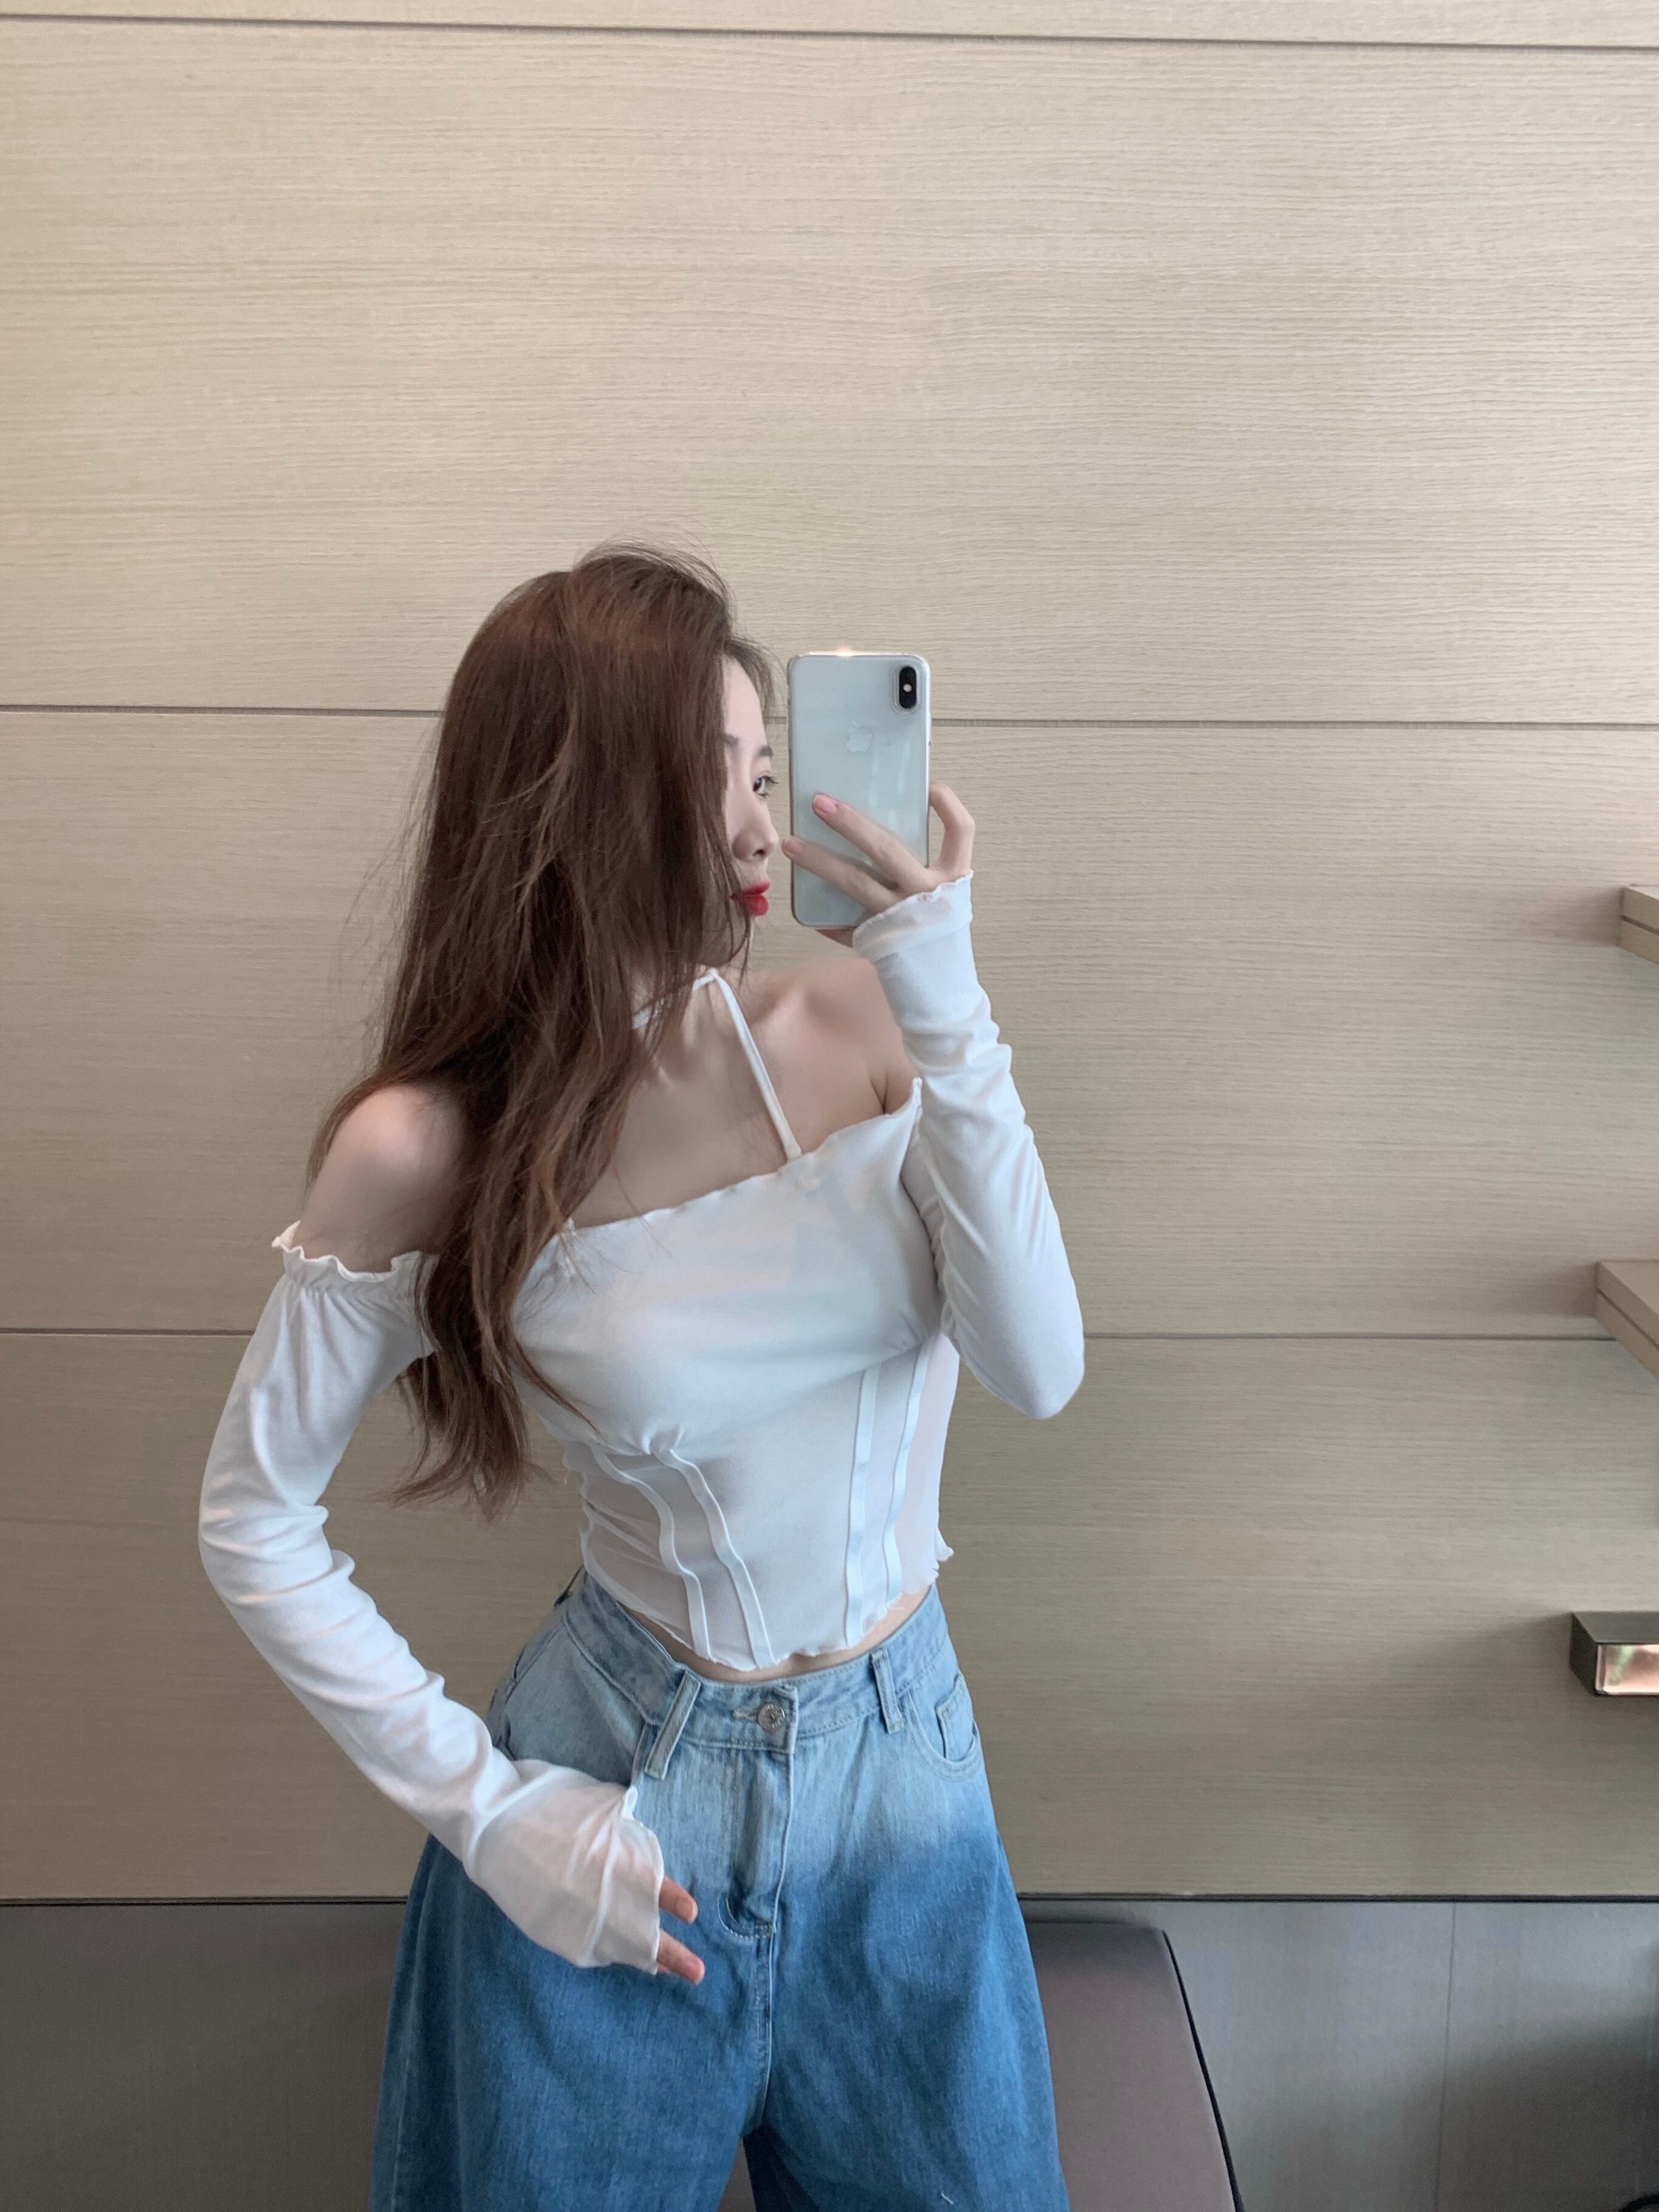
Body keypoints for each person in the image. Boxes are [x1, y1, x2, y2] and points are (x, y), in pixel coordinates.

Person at [197, 543, 1085, 2211]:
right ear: (570, 800)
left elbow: (1039, 1366)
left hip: (907, 1781)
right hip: (616, 1803)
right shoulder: (426, 1148)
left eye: (765, 771)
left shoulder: (864, 1026)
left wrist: (946, 985)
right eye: (713, 776)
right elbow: (253, 1516)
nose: (759, 828)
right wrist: (488, 1813)